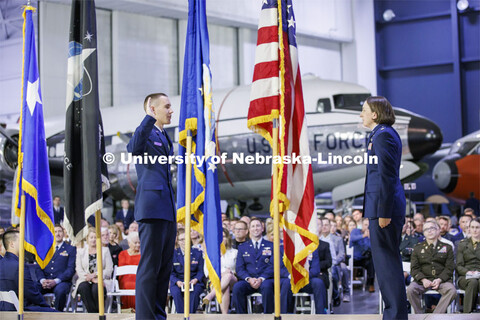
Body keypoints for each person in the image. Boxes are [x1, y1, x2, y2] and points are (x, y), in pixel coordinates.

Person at [127, 93, 176, 320]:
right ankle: (145, 317)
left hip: (166, 208)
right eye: (166, 106)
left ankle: (158, 315)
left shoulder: (165, 137)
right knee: (149, 268)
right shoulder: (146, 132)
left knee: (163, 268)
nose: (171, 110)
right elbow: (134, 147)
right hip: (151, 208)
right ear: (152, 108)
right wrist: (147, 118)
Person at [360, 96, 407, 319]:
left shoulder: (383, 135)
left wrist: (384, 212)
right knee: (385, 265)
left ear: (375, 114)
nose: (361, 115)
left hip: (384, 210)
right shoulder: (379, 134)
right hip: (379, 207)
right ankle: (394, 314)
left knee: (387, 266)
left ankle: (395, 316)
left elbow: (386, 177)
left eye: (364, 110)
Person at [406, 220, 456, 313]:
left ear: (438, 230)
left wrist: (439, 279)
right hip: (423, 281)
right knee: (410, 290)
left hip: (441, 280)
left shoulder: (447, 247)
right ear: (423, 233)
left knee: (452, 290)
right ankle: (419, 316)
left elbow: (449, 267)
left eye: (432, 228)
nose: (429, 231)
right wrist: (423, 280)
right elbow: (414, 268)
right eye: (426, 229)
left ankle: (436, 315)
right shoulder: (417, 248)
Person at [0, 230, 55, 312]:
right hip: (19, 309)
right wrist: (46, 306)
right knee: (59, 315)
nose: (24, 244)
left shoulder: (2, 263)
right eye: (21, 240)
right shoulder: (19, 266)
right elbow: (31, 293)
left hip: (3, 308)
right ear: (12, 244)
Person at [232, 218, 274, 314]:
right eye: (253, 226)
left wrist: (261, 278)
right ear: (249, 230)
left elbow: (272, 266)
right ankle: (241, 317)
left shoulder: (271, 245)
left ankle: (268, 316)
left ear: (262, 228)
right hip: (248, 280)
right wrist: (249, 279)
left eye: (258, 226)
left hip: (265, 280)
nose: (256, 228)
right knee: (237, 287)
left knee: (267, 287)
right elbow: (240, 268)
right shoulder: (242, 247)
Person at [281, 238, 331, 314]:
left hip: (307, 279)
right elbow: (281, 268)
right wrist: (292, 275)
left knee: (318, 282)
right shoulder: (287, 247)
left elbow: (315, 269)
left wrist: (304, 275)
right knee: (286, 283)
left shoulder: (312, 248)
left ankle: (321, 314)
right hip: (292, 279)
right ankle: (285, 314)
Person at [35, 225, 76, 311]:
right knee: (33, 288)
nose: (57, 234)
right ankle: (40, 312)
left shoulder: (71, 249)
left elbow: (70, 269)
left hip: (61, 282)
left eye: (60, 231)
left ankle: (57, 314)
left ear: (64, 234)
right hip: (45, 282)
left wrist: (56, 281)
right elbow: (38, 268)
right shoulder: (44, 249)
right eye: (55, 232)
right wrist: (42, 280)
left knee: (60, 291)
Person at [74, 227, 114, 313]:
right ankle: (93, 314)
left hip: (101, 279)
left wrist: (96, 275)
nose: (93, 240)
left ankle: (97, 313)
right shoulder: (81, 252)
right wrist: (91, 278)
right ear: (87, 238)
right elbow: (79, 269)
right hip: (85, 279)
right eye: (91, 237)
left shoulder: (105, 251)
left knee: (96, 288)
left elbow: (109, 269)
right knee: (83, 287)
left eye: (95, 237)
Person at [202, 228, 238, 313]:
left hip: (233, 278)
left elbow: (238, 269)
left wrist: (227, 273)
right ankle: (224, 315)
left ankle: (210, 295)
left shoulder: (234, 252)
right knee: (225, 286)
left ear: (228, 238)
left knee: (228, 276)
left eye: (224, 237)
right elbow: (207, 272)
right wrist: (222, 274)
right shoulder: (209, 253)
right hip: (214, 280)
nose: (221, 239)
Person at [169, 229, 205, 313]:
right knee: (176, 293)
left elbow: (201, 271)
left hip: (194, 281)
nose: (184, 241)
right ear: (178, 241)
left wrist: (195, 280)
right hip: (178, 281)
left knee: (195, 292)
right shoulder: (173, 254)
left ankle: (190, 315)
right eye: (181, 239)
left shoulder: (197, 253)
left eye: (186, 239)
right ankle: (181, 315)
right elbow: (171, 273)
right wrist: (177, 281)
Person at [456, 218, 480, 313]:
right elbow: (459, 265)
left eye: (477, 227)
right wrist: (468, 272)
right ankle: (467, 314)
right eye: (472, 227)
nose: (474, 230)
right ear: (469, 228)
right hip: (465, 276)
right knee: (473, 282)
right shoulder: (462, 244)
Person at [118, 231, 141, 311]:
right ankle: (127, 309)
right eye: (135, 243)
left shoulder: (143, 254)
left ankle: (139, 309)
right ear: (129, 243)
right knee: (128, 284)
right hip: (126, 278)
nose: (138, 245)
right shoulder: (122, 254)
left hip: (140, 277)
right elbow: (122, 270)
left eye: (139, 242)